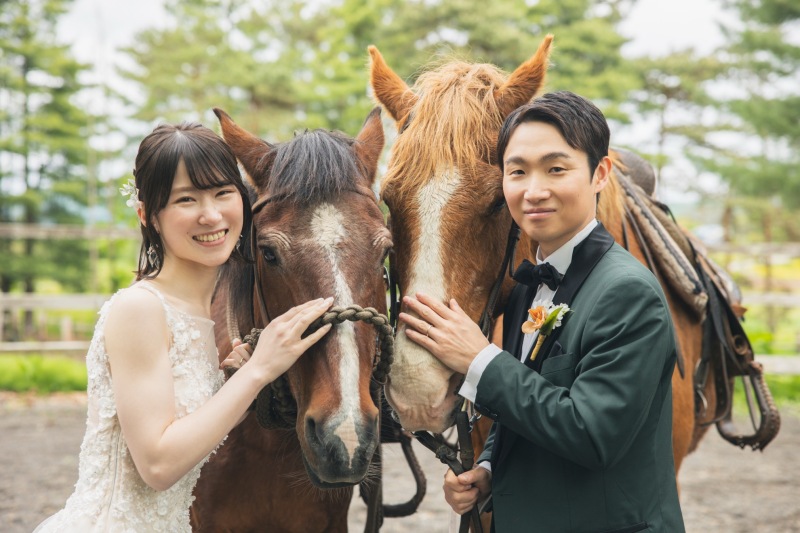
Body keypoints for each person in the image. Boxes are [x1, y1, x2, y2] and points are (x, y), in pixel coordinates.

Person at [399, 91, 684, 532]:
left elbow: (591, 434)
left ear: (599, 173)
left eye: (556, 169)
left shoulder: (628, 294)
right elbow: (532, 399)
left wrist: (478, 360)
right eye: (517, 172)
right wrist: (491, 469)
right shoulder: (527, 287)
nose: (534, 191)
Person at [34, 122, 333, 532]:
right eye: (186, 199)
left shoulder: (203, 309)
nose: (210, 215)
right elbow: (157, 465)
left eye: (223, 193)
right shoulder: (139, 308)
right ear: (148, 215)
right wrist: (259, 370)